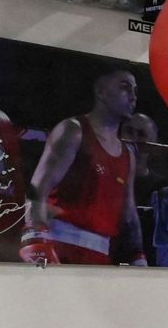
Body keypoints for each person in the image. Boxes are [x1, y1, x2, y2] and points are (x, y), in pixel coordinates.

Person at [21, 68, 147, 266]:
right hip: (58, 246)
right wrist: (35, 240)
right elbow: (37, 191)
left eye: (135, 91)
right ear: (101, 91)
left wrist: (138, 256)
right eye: (125, 88)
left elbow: (129, 215)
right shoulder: (73, 130)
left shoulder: (128, 155)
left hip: (100, 256)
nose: (133, 97)